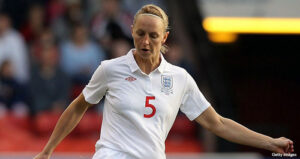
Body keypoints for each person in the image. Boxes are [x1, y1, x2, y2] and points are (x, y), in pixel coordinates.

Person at [34, 4, 294, 159]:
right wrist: (47, 151)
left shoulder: (179, 79)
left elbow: (218, 123)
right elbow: (79, 106)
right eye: (140, 34)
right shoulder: (110, 69)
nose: (145, 42)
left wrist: (270, 142)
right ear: (132, 32)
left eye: (153, 36)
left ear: (165, 37)